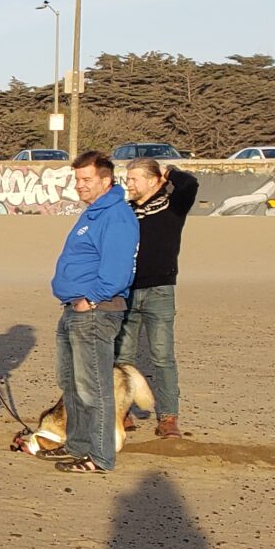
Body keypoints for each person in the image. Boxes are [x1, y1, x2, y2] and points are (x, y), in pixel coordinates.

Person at [47, 150, 139, 473]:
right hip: (74, 310)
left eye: (86, 180)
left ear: (105, 179)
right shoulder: (93, 213)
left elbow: (116, 272)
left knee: (93, 386)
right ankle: (76, 444)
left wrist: (92, 300)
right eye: (77, 180)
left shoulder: (116, 215)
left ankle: (100, 456)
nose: (80, 186)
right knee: (70, 381)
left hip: (95, 312)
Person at [117, 158, 197, 438]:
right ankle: (121, 412)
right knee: (123, 356)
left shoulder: (172, 206)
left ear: (153, 180)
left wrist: (168, 172)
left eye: (135, 178)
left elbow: (190, 183)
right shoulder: (125, 210)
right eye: (128, 178)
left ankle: (168, 418)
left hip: (160, 290)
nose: (129, 184)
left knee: (162, 356)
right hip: (126, 290)